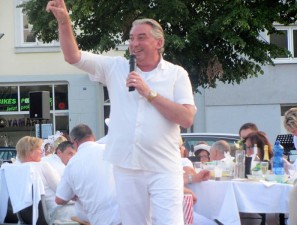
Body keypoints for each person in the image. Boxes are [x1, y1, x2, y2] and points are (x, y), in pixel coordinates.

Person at [46, 1, 196, 224]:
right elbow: (73, 56)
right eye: (131, 38)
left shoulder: (176, 74)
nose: (134, 43)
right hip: (127, 166)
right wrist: (64, 21)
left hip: (163, 166)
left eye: (141, 37)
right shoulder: (115, 67)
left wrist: (149, 93)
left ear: (159, 42)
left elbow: (186, 117)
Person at [55, 124, 121, 225]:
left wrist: (74, 193)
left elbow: (59, 200)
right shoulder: (109, 149)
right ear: (93, 137)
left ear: (75, 143)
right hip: (125, 214)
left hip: (99, 219)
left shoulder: (72, 163)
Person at [15, 136, 75, 221]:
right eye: (39, 149)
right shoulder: (43, 165)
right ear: (30, 151)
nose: (41, 151)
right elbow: (61, 190)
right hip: (57, 211)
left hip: (33, 217)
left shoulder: (18, 169)